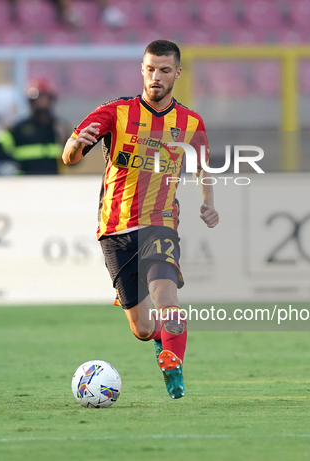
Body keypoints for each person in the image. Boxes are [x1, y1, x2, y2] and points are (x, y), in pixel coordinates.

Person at [62, 40, 219, 399]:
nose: (156, 77)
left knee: (167, 299)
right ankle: (159, 342)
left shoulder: (190, 123)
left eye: (164, 70)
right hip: (115, 229)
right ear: (142, 70)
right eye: (150, 69)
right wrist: (75, 145)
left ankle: (174, 365)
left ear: (177, 73)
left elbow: (203, 168)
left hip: (159, 223)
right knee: (144, 328)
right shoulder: (115, 112)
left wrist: (208, 203)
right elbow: (69, 156)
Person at [0, 78, 68, 175]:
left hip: (53, 183)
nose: (42, 103)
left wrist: (65, 140)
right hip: (26, 183)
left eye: (46, 98)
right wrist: (16, 162)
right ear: (31, 102)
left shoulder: (60, 127)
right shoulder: (20, 128)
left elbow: (75, 162)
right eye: (39, 99)